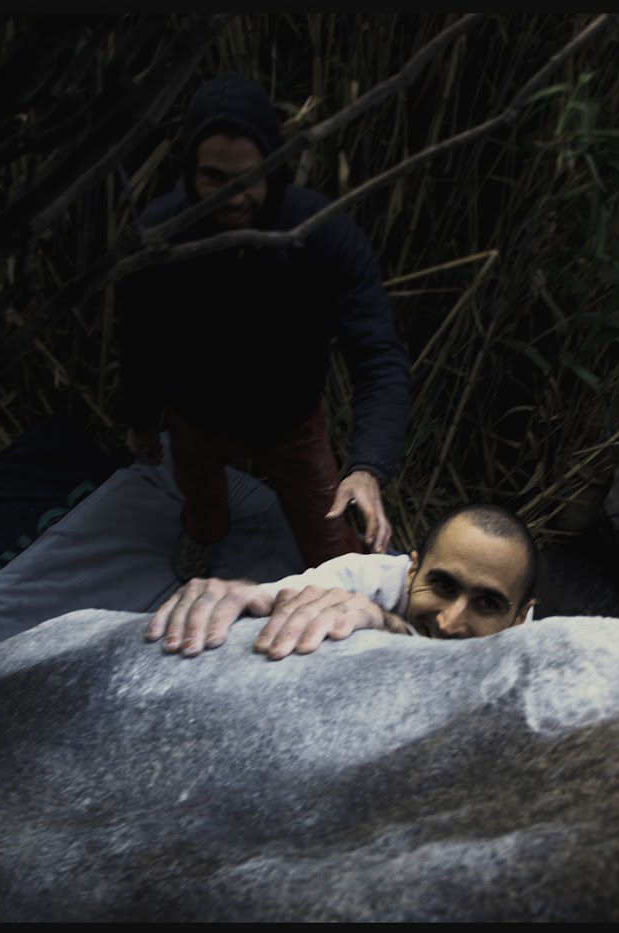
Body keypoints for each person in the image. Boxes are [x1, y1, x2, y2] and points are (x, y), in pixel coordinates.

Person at [115, 72, 411, 582]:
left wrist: (368, 467)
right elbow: (139, 338)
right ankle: (204, 531)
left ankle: (344, 591)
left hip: (291, 421)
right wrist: (141, 418)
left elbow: (378, 354)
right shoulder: (159, 236)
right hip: (195, 416)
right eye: (214, 178)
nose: (233, 197)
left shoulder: (324, 234)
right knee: (201, 502)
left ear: (274, 166)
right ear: (189, 170)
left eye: (249, 177)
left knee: (334, 551)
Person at [145, 504, 540, 660]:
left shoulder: (527, 649)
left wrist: (390, 626)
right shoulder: (363, 574)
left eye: (487, 604)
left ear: (521, 618)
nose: (449, 623)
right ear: (411, 570)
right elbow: (279, 596)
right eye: (443, 586)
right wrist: (238, 593)